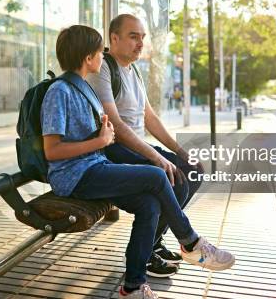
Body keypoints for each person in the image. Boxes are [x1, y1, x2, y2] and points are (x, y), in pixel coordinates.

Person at [42, 25, 234, 299]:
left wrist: (101, 137)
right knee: (156, 176)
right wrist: (101, 141)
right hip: (74, 176)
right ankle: (190, 242)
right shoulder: (59, 91)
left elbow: (100, 134)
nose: (103, 55)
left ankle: (132, 286)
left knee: (150, 203)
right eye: (100, 51)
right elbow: (52, 150)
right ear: (88, 58)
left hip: (95, 168)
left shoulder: (82, 88)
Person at [87, 14, 206, 278]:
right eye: (133, 36)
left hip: (137, 146)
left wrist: (180, 151)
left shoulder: (134, 70)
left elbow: (149, 118)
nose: (140, 43)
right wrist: (157, 158)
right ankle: (150, 252)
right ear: (114, 38)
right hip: (114, 150)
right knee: (176, 179)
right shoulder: (104, 68)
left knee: (193, 169)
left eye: (142, 37)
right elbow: (115, 124)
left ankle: (154, 242)